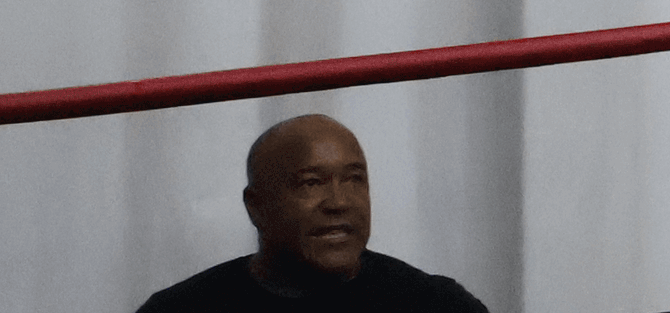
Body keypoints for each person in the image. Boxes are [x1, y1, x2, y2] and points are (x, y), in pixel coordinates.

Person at [135, 116, 487, 312]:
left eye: (354, 180)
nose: (338, 201)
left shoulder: (435, 305)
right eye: (311, 184)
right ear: (255, 206)